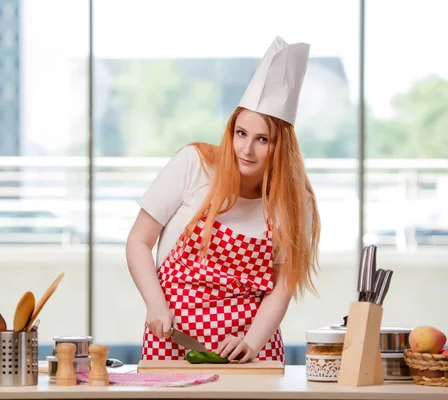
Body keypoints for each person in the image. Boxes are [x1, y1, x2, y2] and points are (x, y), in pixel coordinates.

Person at [125, 36, 321, 364]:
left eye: (263, 140)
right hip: (172, 337)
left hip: (249, 348)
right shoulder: (194, 165)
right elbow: (138, 241)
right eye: (241, 133)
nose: (247, 149)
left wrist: (253, 342)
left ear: (281, 148)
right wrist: (155, 304)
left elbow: (283, 286)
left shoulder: (295, 202)